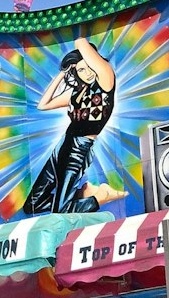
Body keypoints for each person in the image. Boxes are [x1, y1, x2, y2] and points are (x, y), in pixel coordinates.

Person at [24, 38, 126, 215]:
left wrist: (87, 57)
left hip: (79, 148)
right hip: (61, 147)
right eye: (81, 69)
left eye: (89, 66)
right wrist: (63, 73)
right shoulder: (76, 93)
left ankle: (100, 197)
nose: (86, 72)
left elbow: (80, 42)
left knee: (61, 210)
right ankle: (81, 195)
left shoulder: (105, 80)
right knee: (33, 205)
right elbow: (43, 104)